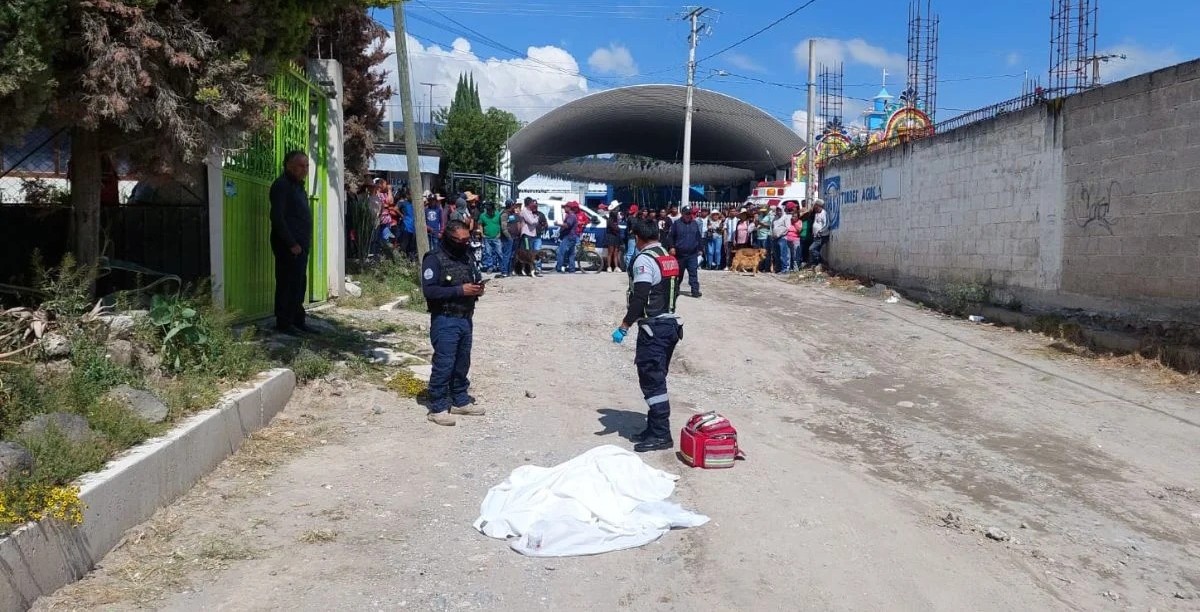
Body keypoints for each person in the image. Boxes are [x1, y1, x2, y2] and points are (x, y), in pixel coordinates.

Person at [612, 219, 683, 453]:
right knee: (656, 378)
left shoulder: (644, 259)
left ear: (638, 238)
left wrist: (624, 326)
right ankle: (653, 428)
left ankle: (662, 435)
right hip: (671, 325)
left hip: (653, 328)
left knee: (653, 382)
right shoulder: (667, 256)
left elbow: (640, 297)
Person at [421, 220, 487, 426]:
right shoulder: (434, 259)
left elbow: (473, 278)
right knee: (444, 363)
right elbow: (429, 290)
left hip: (465, 318)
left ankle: (460, 400)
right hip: (445, 319)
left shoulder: (466, 256)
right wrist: (460, 291)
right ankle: (438, 406)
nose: (466, 243)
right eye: (461, 240)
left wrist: (477, 289)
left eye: (468, 239)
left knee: (462, 362)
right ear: (449, 238)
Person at [269, 151, 313, 334]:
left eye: (307, 166)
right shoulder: (281, 185)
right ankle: (284, 322)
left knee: (299, 283)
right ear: (289, 165)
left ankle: (297, 319)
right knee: (287, 283)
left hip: (300, 245)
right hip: (288, 245)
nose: (305, 170)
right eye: (301, 166)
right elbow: (277, 217)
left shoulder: (298, 187)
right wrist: (291, 243)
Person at [667, 206, 703, 298]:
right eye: (686, 213)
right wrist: (671, 247)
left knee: (693, 273)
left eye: (689, 213)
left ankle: (695, 290)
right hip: (680, 254)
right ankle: (675, 289)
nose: (688, 215)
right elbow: (671, 237)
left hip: (692, 254)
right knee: (679, 274)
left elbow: (698, 237)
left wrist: (700, 249)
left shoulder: (694, 224)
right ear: (682, 214)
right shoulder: (676, 224)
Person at [517, 197, 541, 277]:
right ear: (529, 203)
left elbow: (535, 222)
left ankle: (528, 270)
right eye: (532, 203)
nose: (534, 204)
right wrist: (536, 218)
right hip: (526, 234)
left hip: (532, 234)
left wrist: (535, 219)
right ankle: (525, 270)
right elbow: (531, 221)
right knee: (527, 253)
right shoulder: (524, 211)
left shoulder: (530, 211)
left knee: (530, 253)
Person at [555, 201, 581, 273]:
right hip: (572, 236)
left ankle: (559, 268)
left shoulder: (571, 216)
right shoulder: (571, 215)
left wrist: (558, 224)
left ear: (569, 208)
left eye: (565, 207)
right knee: (571, 254)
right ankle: (572, 269)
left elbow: (567, 225)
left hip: (569, 236)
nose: (564, 209)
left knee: (561, 252)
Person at [479, 201, 503, 273]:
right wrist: (482, 233)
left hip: (496, 237)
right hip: (487, 237)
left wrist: (500, 233)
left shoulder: (498, 215)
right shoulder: (482, 216)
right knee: (488, 253)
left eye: (490, 210)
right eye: (487, 210)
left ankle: (502, 267)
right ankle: (490, 266)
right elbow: (480, 224)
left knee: (499, 252)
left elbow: (501, 224)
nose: (489, 211)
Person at [809, 198, 831, 271]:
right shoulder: (817, 213)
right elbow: (816, 223)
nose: (814, 207)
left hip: (822, 236)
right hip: (816, 236)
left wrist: (820, 231)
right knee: (816, 250)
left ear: (819, 206)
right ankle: (817, 265)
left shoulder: (824, 213)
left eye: (816, 206)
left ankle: (821, 262)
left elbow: (827, 224)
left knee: (811, 249)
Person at [772, 204, 793, 274]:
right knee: (777, 254)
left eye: (780, 210)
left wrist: (779, 233)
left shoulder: (785, 217)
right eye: (777, 210)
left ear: (782, 210)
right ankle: (779, 268)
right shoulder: (775, 218)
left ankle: (785, 269)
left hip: (782, 238)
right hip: (775, 238)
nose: (778, 212)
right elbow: (773, 227)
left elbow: (787, 227)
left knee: (783, 254)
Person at [500, 200, 519, 277]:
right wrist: (508, 237)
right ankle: (504, 271)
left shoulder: (513, 214)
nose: (515, 207)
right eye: (513, 205)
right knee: (507, 255)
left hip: (515, 237)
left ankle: (510, 270)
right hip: (508, 238)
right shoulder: (504, 214)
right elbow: (504, 228)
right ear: (510, 205)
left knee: (512, 255)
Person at [604, 207, 624, 272]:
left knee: (616, 253)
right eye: (615, 213)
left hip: (616, 238)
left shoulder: (616, 221)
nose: (617, 214)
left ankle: (616, 267)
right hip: (611, 237)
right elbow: (615, 229)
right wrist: (617, 229)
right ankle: (609, 266)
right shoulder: (609, 221)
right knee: (610, 252)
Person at [625, 204, 640, 269]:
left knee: (637, 253)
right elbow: (632, 229)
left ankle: (635, 267)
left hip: (636, 237)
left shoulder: (637, 218)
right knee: (630, 253)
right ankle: (628, 268)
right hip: (632, 237)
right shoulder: (631, 218)